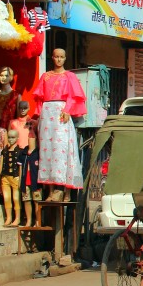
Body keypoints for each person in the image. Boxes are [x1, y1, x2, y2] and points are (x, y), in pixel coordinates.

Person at [32, 49, 86, 201]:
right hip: (47, 114)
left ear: (65, 58)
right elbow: (38, 100)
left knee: (64, 149)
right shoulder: (45, 76)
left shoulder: (69, 76)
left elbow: (74, 96)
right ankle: (50, 191)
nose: (59, 60)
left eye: (62, 57)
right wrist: (38, 117)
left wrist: (68, 110)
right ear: (52, 57)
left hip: (62, 112)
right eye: (56, 57)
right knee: (47, 151)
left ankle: (66, 191)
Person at [0, 128, 21, 226]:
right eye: (9, 137)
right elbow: (1, 164)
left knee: (16, 198)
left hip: (15, 177)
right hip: (5, 177)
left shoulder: (20, 151)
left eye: (13, 137)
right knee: (7, 198)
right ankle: (9, 218)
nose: (10, 139)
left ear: (17, 138)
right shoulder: (4, 151)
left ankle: (17, 218)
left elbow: (21, 167)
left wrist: (20, 178)